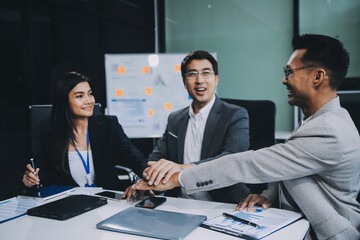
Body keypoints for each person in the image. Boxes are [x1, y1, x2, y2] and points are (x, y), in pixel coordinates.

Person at [135, 34, 360, 239]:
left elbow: (248, 163)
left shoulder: (329, 129)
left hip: (329, 233)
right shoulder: (316, 120)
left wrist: (180, 176)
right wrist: (270, 195)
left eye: (289, 72)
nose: (284, 80)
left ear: (318, 76)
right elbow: (299, 173)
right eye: (192, 74)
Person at [124, 50, 251, 203]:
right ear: (184, 82)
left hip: (222, 204)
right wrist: (147, 179)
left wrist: (183, 168)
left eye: (206, 73)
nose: (199, 80)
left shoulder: (235, 115)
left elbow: (232, 159)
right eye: (192, 74)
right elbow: (156, 158)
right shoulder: (175, 119)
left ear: (216, 79)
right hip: (180, 203)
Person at [22, 72, 148, 191]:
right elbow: (38, 177)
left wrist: (148, 174)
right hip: (72, 207)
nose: (89, 101)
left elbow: (133, 155)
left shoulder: (108, 125)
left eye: (90, 93)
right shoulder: (52, 138)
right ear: (64, 101)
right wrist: (30, 180)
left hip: (108, 204)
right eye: (80, 96)